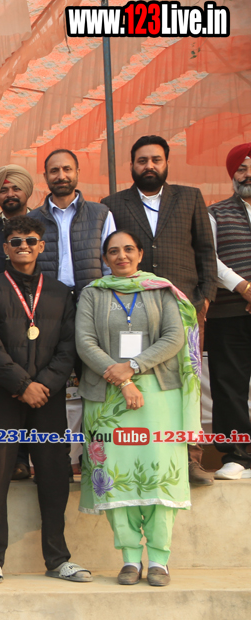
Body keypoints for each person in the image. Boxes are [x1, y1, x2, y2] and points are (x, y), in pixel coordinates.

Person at [76, 230, 198, 587]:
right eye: (113, 251)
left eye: (129, 249)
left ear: (141, 254)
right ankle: (130, 558)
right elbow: (85, 342)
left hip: (159, 394)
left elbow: (174, 337)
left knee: (158, 473)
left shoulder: (161, 291)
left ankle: (159, 560)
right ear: (105, 258)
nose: (122, 256)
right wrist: (122, 380)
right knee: (115, 474)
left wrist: (133, 366)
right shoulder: (93, 293)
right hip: (107, 394)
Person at [0, 216, 90, 584]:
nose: (23, 246)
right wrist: (22, 384)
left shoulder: (60, 292)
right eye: (16, 241)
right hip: (2, 395)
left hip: (47, 398)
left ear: (41, 246)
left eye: (30, 240)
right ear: (5, 248)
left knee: (54, 474)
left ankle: (58, 558)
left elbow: (69, 347)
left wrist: (44, 385)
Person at [102, 135, 217, 486]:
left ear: (166, 163)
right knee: (143, 380)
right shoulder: (113, 204)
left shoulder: (190, 197)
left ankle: (190, 459)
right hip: (134, 309)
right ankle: (145, 455)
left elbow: (205, 250)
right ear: (131, 165)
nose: (149, 166)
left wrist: (205, 297)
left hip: (185, 306)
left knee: (187, 382)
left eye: (156, 159)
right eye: (142, 160)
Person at [206, 144, 251, 481]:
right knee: (228, 384)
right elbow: (211, 259)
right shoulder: (215, 213)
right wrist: (244, 288)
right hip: (230, 312)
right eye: (242, 169)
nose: (248, 175)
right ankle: (237, 456)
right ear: (232, 175)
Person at [29, 149, 116, 298]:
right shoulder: (32, 220)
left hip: (92, 299)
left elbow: (111, 265)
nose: (61, 176)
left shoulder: (101, 215)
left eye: (67, 169)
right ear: (45, 176)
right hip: (46, 300)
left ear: (77, 172)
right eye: (54, 171)